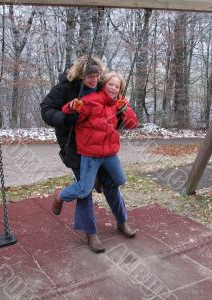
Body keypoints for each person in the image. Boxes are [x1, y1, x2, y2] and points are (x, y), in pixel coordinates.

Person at [40, 56, 136, 253]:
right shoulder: (65, 88)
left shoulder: (103, 87)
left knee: (112, 183)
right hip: (75, 146)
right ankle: (91, 233)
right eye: (90, 76)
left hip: (103, 148)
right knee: (85, 190)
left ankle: (122, 220)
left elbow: (111, 111)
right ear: (80, 74)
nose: (94, 79)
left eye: (97, 75)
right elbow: (47, 109)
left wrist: (119, 117)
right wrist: (66, 119)